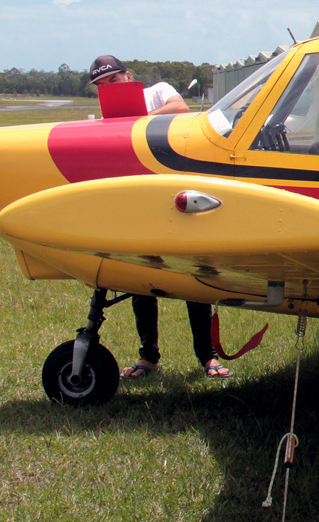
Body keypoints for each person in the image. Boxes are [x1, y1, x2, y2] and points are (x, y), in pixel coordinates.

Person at [88, 55, 233, 379]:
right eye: (100, 85)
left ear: (127, 76)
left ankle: (208, 357)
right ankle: (148, 357)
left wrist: (137, 121)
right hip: (138, 201)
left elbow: (179, 108)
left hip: (174, 194)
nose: (107, 88)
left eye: (112, 80)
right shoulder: (107, 116)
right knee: (140, 283)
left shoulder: (157, 91)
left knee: (192, 278)